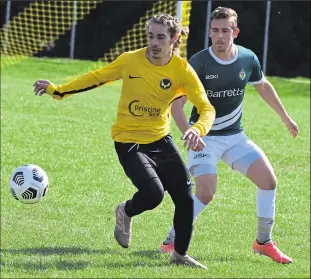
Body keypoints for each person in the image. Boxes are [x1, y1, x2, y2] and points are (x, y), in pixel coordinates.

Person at [33, 14, 216, 268]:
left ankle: (180, 255)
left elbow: (206, 108)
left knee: (185, 198)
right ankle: (125, 211)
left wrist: (198, 128)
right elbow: (96, 77)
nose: (153, 42)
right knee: (153, 195)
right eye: (150, 36)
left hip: (161, 139)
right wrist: (58, 90)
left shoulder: (182, 70)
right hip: (128, 141)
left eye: (161, 37)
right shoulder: (130, 61)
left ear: (174, 39)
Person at [159, 7, 298, 264]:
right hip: (204, 137)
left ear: (235, 32)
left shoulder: (247, 58)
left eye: (225, 31)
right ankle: (172, 240)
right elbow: (176, 105)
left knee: (268, 181)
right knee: (206, 192)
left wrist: (285, 117)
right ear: (210, 32)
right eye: (215, 31)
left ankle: (263, 242)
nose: (219, 36)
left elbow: (263, 86)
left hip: (235, 136)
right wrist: (189, 132)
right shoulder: (199, 63)